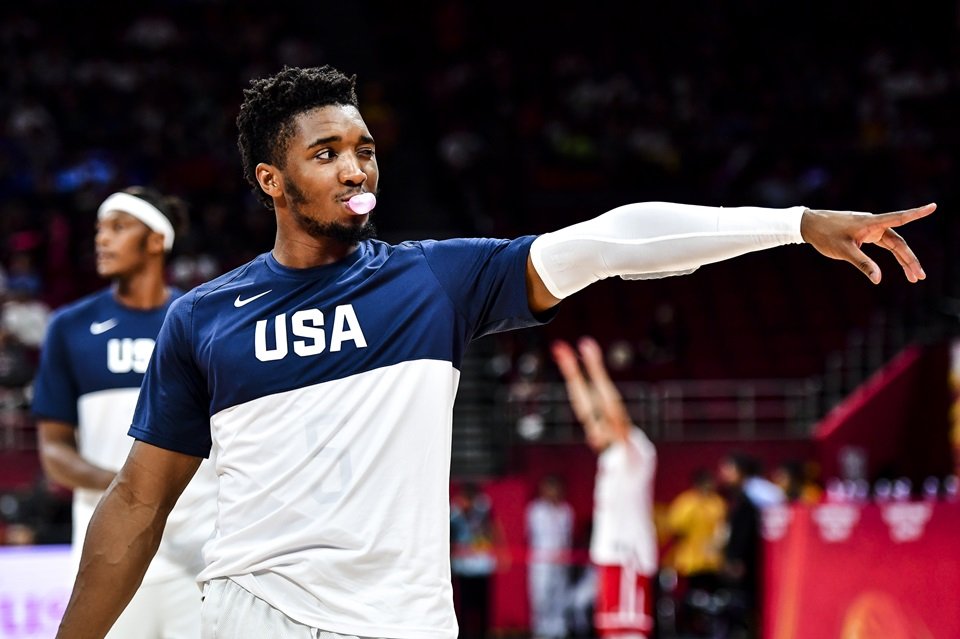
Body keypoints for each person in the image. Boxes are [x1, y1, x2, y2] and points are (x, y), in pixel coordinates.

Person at [51, 64, 935, 639]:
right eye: (326, 154)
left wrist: (791, 225)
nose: (357, 169)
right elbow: (135, 502)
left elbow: (608, 243)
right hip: (253, 614)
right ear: (271, 181)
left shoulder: (432, 281)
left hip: (409, 622)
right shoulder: (204, 316)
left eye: (363, 149)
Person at [32, 186, 218, 639]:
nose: (101, 239)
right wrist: (129, 488)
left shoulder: (202, 321)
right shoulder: (70, 327)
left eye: (118, 227)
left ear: (157, 240)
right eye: (99, 229)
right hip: (111, 556)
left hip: (202, 556)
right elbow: (53, 449)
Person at [552, 336, 658, 639]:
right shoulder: (611, 454)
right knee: (610, 630)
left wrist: (596, 368)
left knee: (628, 631)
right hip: (611, 553)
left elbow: (613, 413)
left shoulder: (636, 449)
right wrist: (572, 373)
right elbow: (590, 413)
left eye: (599, 426)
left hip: (629, 555)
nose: (590, 431)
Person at [664, 468, 727, 636]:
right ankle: (688, 633)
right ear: (698, 483)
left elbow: (724, 530)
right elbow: (676, 530)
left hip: (713, 562)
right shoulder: (686, 502)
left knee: (713, 602)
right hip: (690, 562)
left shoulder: (718, 503)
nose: (710, 485)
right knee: (689, 601)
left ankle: (711, 633)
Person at [449, 482, 502, 639]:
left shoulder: (484, 509)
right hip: (463, 567)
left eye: (471, 498)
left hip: (481, 566)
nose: (468, 502)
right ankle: (463, 634)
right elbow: (450, 537)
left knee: (483, 606)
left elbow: (494, 529)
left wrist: (499, 551)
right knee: (463, 606)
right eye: (465, 498)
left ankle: (483, 633)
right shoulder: (454, 512)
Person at [525, 474, 575, 639]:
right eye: (549, 488)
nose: (552, 492)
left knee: (559, 594)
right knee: (541, 596)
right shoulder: (535, 510)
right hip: (541, 560)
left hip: (561, 558)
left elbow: (567, 537)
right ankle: (541, 629)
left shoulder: (566, 511)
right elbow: (531, 535)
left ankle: (558, 628)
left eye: (555, 488)